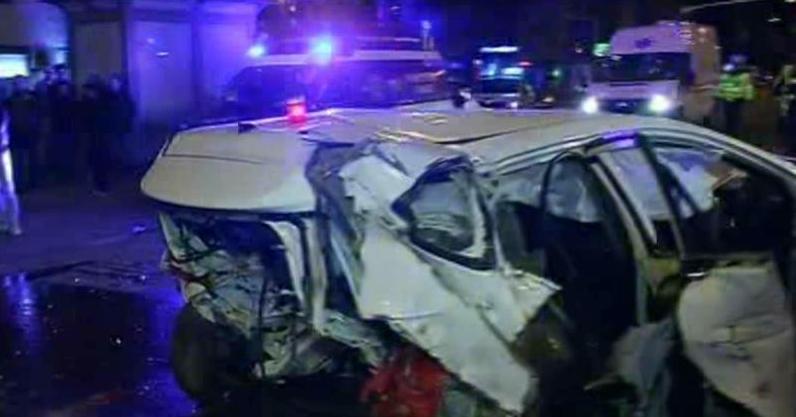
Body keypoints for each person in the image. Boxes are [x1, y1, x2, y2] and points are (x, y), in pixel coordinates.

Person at [3, 76, 40, 191]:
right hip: (17, 132)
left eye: (20, 83)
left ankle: (32, 182)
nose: (18, 85)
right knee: (18, 160)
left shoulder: (32, 99)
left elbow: (38, 114)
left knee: (30, 158)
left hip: (28, 131)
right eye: (16, 83)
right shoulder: (9, 100)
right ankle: (21, 183)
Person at [80, 78, 111, 194]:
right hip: (98, 137)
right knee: (98, 162)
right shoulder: (100, 103)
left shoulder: (92, 105)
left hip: (96, 137)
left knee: (98, 162)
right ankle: (100, 186)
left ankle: (100, 186)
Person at [716, 55, 755, 137]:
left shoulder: (726, 73)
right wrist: (749, 97)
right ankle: (734, 134)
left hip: (727, 98)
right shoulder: (745, 75)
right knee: (736, 117)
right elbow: (748, 87)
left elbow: (721, 85)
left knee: (729, 117)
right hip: (738, 98)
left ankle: (729, 132)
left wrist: (718, 95)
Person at [0, 102, 22, 236]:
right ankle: (4, 222)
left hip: (2, 153)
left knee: (8, 188)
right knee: (5, 190)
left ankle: (13, 224)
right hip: (3, 152)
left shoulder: (2, 112)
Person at [105, 74, 135, 165]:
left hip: (121, 127)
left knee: (121, 146)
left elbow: (130, 109)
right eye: (112, 83)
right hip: (112, 127)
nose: (114, 85)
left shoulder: (124, 96)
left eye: (116, 83)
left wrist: (127, 121)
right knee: (113, 146)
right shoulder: (108, 97)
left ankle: (121, 162)